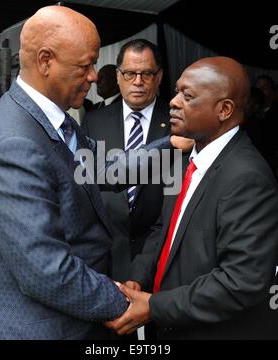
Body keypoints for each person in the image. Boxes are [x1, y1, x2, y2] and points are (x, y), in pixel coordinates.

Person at [0, 6, 173, 340]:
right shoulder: (14, 143)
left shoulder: (55, 119)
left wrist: (173, 145)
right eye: (86, 65)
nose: (96, 76)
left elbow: (103, 168)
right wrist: (126, 303)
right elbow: (45, 270)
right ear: (45, 61)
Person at [106, 56, 278, 339]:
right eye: (176, 92)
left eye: (187, 96)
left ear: (224, 109)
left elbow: (240, 281)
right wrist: (138, 277)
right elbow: (165, 228)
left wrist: (155, 306)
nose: (173, 102)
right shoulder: (186, 159)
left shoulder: (248, 178)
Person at [82, 39, 193, 284]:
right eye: (130, 73)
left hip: (161, 251)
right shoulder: (93, 121)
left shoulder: (181, 124)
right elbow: (91, 181)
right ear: (118, 75)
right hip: (107, 256)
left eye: (147, 74)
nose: (138, 82)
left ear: (160, 76)